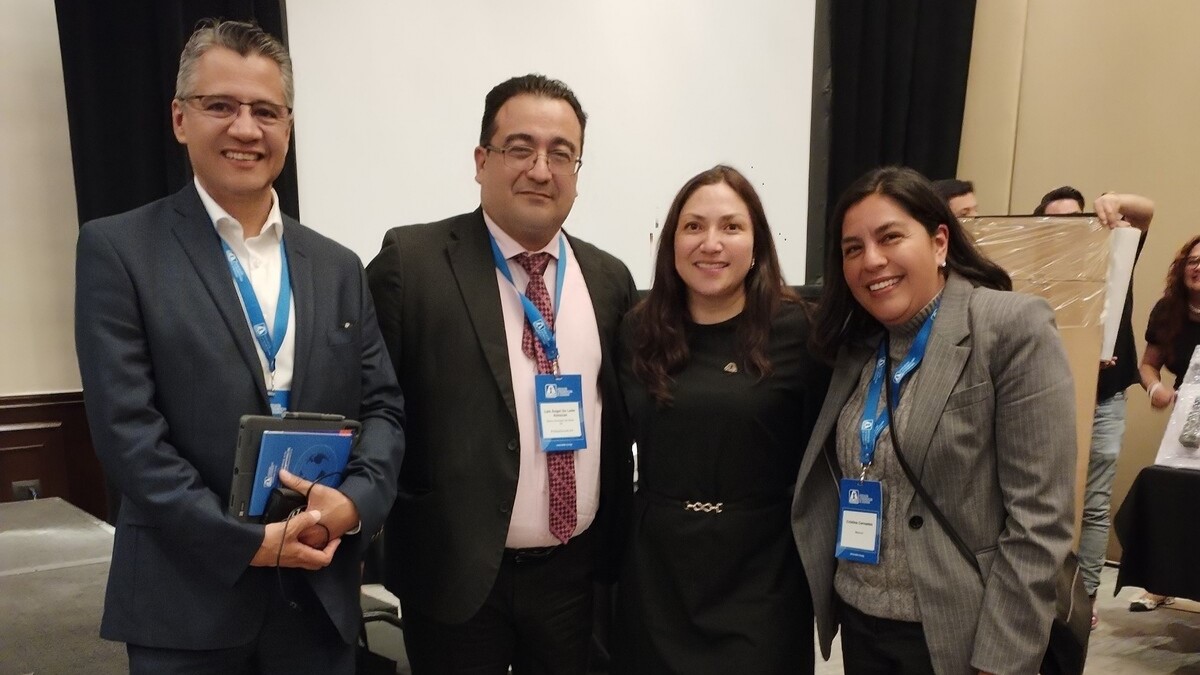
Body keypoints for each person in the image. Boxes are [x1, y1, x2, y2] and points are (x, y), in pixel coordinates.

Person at [74, 19, 405, 674]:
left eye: (266, 111)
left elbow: (383, 411)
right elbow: (128, 433)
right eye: (221, 106)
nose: (246, 129)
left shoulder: (337, 266)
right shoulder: (119, 250)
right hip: (186, 603)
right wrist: (245, 542)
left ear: (288, 126)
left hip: (318, 598)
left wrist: (354, 504)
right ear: (180, 118)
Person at [365, 74, 638, 674]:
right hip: (455, 580)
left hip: (574, 578)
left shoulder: (610, 279)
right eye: (521, 148)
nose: (541, 170)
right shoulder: (411, 264)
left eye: (561, 154)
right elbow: (372, 411)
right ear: (481, 160)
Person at [793, 166, 1075, 674]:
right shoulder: (856, 346)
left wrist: (1002, 658)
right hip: (862, 620)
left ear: (939, 241)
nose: (871, 260)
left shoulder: (1010, 328)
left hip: (962, 629)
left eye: (890, 237)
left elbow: (1040, 520)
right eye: (853, 248)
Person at [611, 165, 830, 674]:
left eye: (731, 226)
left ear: (757, 244)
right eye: (694, 226)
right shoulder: (637, 331)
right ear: (671, 241)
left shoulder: (801, 331)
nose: (711, 243)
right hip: (657, 570)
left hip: (763, 570)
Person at [1034, 185, 1155, 625]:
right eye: (1058, 221)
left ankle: (1084, 597)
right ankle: (1041, 591)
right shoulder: (1038, 271)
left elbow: (1147, 211)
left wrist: (1117, 201)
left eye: (1077, 218)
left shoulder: (1113, 254)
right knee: (1046, 500)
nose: (1070, 228)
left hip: (1107, 397)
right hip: (1050, 399)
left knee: (1096, 504)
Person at [1130, 235, 1200, 612]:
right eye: (1193, 260)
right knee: (1173, 498)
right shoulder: (1167, 311)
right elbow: (1148, 364)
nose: (1198, 267)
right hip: (1187, 417)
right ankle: (1160, 585)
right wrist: (1155, 388)